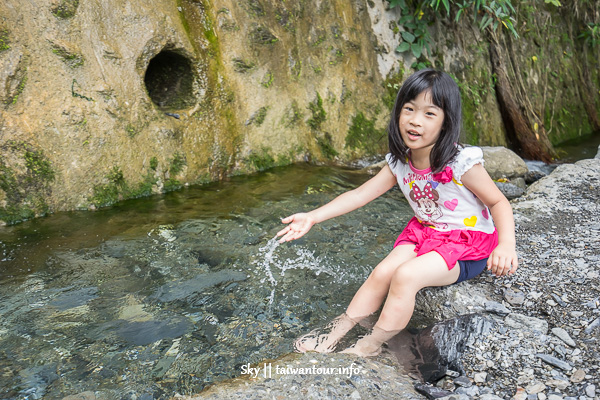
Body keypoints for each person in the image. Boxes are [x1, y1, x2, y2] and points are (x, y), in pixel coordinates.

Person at [276, 69, 519, 357]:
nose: (415, 120)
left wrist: (506, 245)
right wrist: (313, 216)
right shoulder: (400, 161)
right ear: (398, 112)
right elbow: (360, 194)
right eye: (409, 109)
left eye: (430, 113)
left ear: (446, 122)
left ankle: (369, 345)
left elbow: (498, 203)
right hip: (424, 233)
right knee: (382, 273)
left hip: (467, 246)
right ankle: (337, 331)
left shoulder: (461, 163)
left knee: (405, 276)